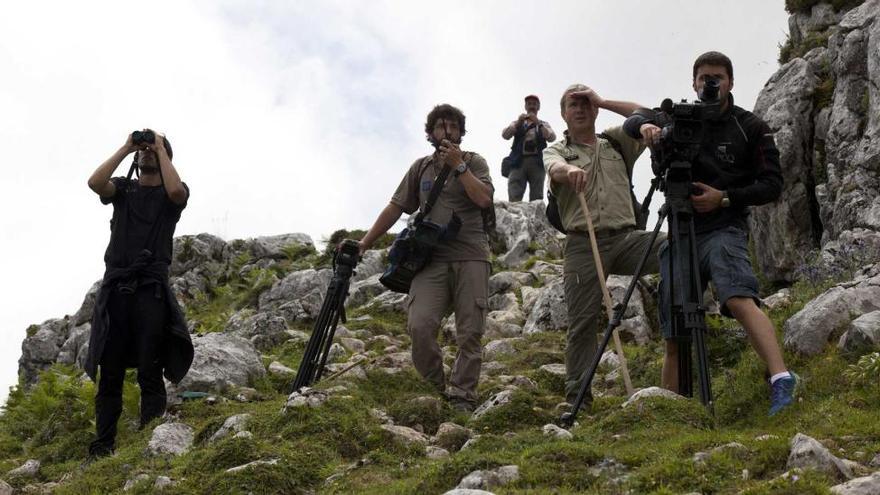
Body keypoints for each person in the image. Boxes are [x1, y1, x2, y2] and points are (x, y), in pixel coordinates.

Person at [626, 51, 797, 416]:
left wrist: (725, 198)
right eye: (704, 78)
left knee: (737, 296)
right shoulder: (680, 117)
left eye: (717, 77)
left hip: (724, 227)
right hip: (680, 232)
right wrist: (645, 127)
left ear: (731, 82)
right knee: (674, 327)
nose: (711, 84)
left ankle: (781, 377)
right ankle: (675, 413)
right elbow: (634, 119)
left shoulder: (750, 127)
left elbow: (772, 184)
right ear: (694, 82)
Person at [359, 104, 493, 411]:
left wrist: (460, 167)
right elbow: (396, 207)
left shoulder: (475, 162)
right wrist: (365, 242)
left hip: (471, 256)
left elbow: (484, 199)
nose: (447, 131)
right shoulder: (420, 168)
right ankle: (434, 386)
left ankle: (462, 395)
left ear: (461, 132)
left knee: (471, 331)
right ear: (430, 133)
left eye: (453, 126)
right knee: (420, 325)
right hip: (429, 259)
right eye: (440, 126)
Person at [543, 85, 664, 406]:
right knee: (582, 321)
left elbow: (647, 114)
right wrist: (569, 170)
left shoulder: (616, 140)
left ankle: (681, 324)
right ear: (563, 113)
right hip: (583, 244)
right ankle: (577, 395)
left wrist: (604, 101)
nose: (581, 109)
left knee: (674, 247)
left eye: (586, 104)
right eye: (573, 104)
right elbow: (554, 168)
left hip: (628, 239)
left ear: (594, 110)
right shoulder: (555, 150)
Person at [85, 129, 194, 457]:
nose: (147, 152)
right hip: (117, 289)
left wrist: (160, 147)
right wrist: (127, 146)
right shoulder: (123, 188)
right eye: (143, 151)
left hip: (150, 290)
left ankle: (149, 442)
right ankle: (102, 447)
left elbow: (176, 191)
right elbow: (94, 183)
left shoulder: (171, 195)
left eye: (154, 150)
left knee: (150, 367)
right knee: (111, 373)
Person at [502, 94, 556, 202]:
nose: (532, 106)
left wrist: (538, 123)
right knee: (514, 194)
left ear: (538, 107)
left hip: (537, 162)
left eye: (534, 104)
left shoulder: (543, 124)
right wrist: (518, 123)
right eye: (529, 104)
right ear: (525, 106)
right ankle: (515, 217)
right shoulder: (517, 123)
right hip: (518, 161)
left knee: (537, 196)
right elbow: (505, 135)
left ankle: (536, 218)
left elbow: (551, 137)